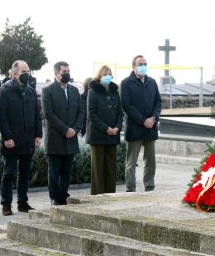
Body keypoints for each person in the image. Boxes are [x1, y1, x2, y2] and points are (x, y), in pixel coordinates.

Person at [0, 60, 43, 216]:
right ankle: (6, 205)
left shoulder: (30, 91)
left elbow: (37, 115)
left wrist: (38, 135)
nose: (26, 74)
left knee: (25, 173)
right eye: (23, 72)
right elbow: (0, 116)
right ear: (14, 73)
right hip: (11, 141)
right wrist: (7, 137)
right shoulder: (5, 90)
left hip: (27, 140)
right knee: (9, 173)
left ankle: (22, 203)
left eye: (28, 71)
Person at [41, 61, 83, 205]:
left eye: (68, 71)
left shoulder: (74, 90)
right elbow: (48, 114)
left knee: (66, 171)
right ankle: (54, 197)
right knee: (54, 171)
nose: (67, 74)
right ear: (56, 73)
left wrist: (75, 129)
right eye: (64, 71)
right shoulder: (48, 91)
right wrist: (66, 129)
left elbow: (81, 112)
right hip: (55, 138)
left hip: (71, 138)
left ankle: (64, 195)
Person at [120, 55, 162, 192]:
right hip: (135, 128)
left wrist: (153, 118)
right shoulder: (126, 83)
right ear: (133, 67)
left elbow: (158, 102)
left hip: (151, 128)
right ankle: (130, 189)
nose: (143, 66)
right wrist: (143, 120)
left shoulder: (152, 82)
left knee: (150, 162)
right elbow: (126, 105)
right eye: (140, 64)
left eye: (145, 63)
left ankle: (149, 187)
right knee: (131, 163)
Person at [86, 66, 123, 195]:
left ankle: (110, 195)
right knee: (98, 169)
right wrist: (106, 128)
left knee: (111, 168)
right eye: (105, 74)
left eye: (110, 74)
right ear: (99, 76)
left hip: (113, 135)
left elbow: (119, 112)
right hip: (98, 135)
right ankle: (97, 196)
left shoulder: (114, 91)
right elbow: (91, 114)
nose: (108, 76)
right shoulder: (93, 91)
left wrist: (117, 127)